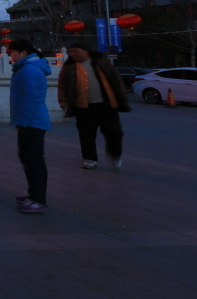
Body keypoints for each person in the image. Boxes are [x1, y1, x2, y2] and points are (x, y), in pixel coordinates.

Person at [57, 42, 130, 170]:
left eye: (76, 50)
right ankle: (90, 158)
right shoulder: (69, 66)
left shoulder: (101, 62)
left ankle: (115, 155)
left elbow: (116, 78)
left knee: (114, 132)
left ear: (86, 50)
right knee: (86, 134)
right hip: (83, 106)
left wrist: (122, 96)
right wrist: (62, 100)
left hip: (107, 105)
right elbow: (62, 83)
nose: (74, 54)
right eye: (71, 52)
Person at [8, 39, 51, 213]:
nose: (11, 56)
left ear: (23, 53)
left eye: (13, 52)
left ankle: (38, 200)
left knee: (32, 160)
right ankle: (35, 194)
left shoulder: (29, 70)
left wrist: (23, 122)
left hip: (32, 121)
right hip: (33, 120)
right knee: (33, 159)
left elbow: (31, 98)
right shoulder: (29, 68)